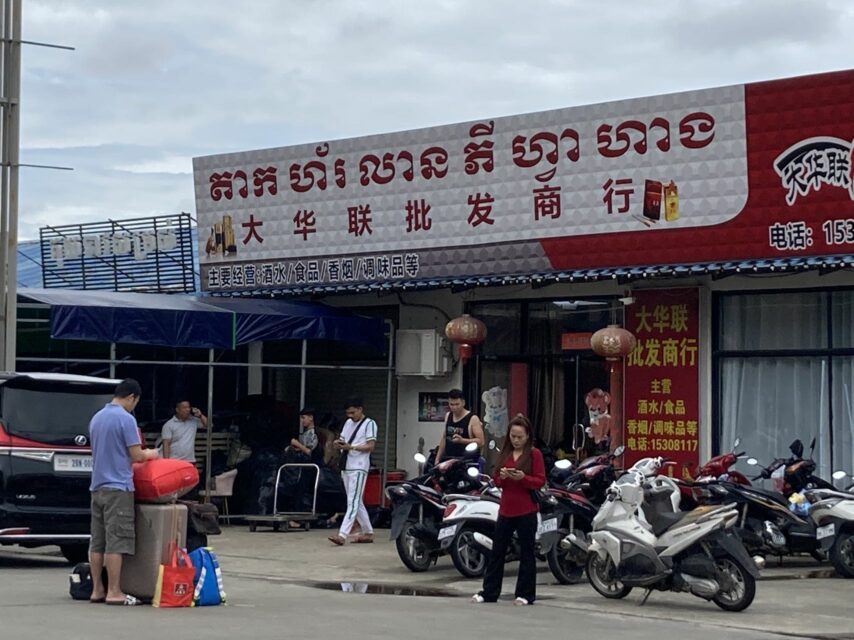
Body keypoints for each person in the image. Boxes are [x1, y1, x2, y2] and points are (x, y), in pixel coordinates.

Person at [88, 378, 158, 606]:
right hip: (118, 488)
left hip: (97, 487)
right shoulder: (126, 420)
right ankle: (114, 591)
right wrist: (152, 454)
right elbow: (136, 455)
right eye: (135, 402)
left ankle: (97, 589)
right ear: (131, 397)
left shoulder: (96, 418)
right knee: (116, 541)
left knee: (97, 542)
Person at [472, 414, 545, 606]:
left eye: (520, 437)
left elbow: (539, 481)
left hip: (526, 510)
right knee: (497, 552)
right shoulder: (504, 453)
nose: (516, 440)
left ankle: (525, 594)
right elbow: (496, 479)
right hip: (506, 509)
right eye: (513, 436)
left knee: (527, 553)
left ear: (528, 436)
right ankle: (489, 592)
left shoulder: (534, 454)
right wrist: (504, 476)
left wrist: (522, 478)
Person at [328, 396, 377, 546]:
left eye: (353, 412)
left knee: (353, 501)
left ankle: (342, 534)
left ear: (360, 409)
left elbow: (370, 446)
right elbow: (343, 440)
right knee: (356, 500)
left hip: (359, 466)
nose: (350, 416)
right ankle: (368, 531)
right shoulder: (348, 423)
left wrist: (352, 447)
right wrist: (338, 444)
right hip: (347, 465)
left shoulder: (370, 424)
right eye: (348, 413)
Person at [435, 388, 485, 463]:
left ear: (463, 403)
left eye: (457, 404)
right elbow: (444, 438)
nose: (454, 407)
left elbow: (481, 441)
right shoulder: (448, 415)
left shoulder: (472, 418)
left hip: (467, 461)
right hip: (449, 458)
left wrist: (462, 440)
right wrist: (437, 458)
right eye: (452, 404)